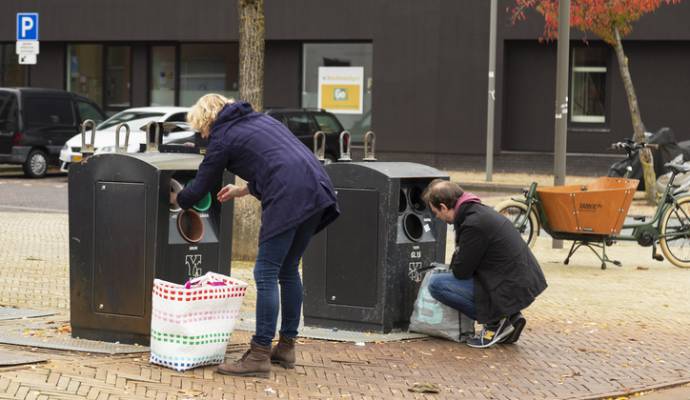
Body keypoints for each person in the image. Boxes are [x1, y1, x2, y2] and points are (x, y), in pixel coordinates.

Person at [171, 94, 339, 377]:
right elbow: (278, 160)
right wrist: (243, 189)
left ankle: (259, 354)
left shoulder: (222, 137)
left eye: (200, 130)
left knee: (265, 272)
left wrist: (179, 198)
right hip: (317, 188)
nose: (202, 135)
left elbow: (200, 185)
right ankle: (286, 346)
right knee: (288, 270)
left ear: (205, 121)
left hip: (289, 195)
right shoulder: (261, 120)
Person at [422, 179, 547, 348]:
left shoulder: (473, 224)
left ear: (444, 207)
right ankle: (510, 317)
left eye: (436, 212)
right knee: (446, 277)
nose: (437, 217)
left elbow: (461, 271)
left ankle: (496, 321)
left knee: (436, 284)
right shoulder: (478, 212)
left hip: (511, 285)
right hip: (518, 281)